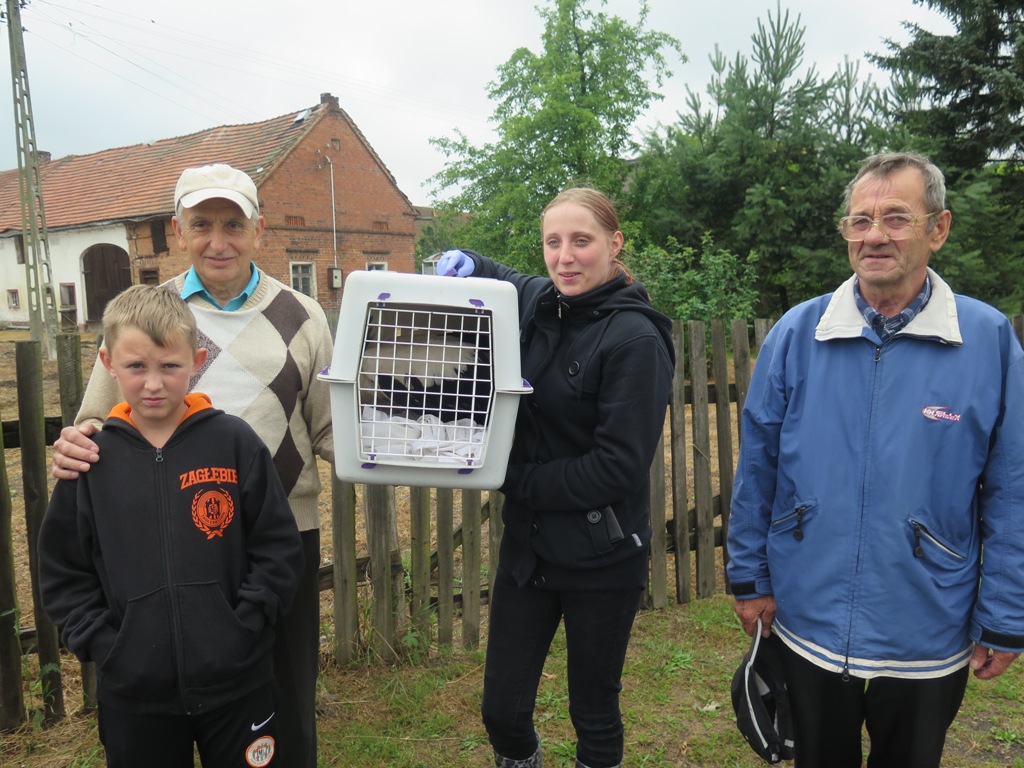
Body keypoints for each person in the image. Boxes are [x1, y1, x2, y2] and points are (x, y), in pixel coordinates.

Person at [726, 151, 1024, 768]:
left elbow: (1013, 487)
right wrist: (749, 577)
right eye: (860, 221)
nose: (874, 236)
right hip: (808, 612)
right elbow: (757, 465)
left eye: (896, 218)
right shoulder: (797, 332)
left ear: (937, 229)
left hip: (926, 620)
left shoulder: (987, 340)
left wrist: (1004, 615)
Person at [50, 164, 334, 768]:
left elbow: (329, 426)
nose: (218, 240)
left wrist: (405, 449)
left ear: (258, 229)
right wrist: (75, 443)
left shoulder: (304, 315)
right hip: (170, 546)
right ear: (179, 231)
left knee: (283, 708)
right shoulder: (145, 314)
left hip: (277, 544)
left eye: (233, 224)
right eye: (201, 224)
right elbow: (99, 422)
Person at [436, 187, 675, 768]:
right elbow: (508, 278)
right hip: (531, 551)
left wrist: (509, 477)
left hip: (604, 553)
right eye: (553, 242)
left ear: (615, 245)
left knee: (593, 713)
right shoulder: (545, 300)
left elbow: (616, 467)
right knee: (501, 711)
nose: (565, 257)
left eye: (581, 241)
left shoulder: (636, 339)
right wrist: (465, 259)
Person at [39, 284, 304, 767]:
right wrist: (108, 646)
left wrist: (242, 627)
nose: (154, 383)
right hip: (134, 694)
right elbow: (64, 570)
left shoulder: (235, 443)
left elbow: (277, 548)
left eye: (170, 366)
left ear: (197, 360)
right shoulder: (90, 460)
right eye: (137, 367)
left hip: (236, 683)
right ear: (108, 363)